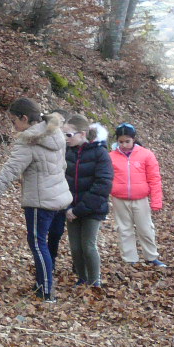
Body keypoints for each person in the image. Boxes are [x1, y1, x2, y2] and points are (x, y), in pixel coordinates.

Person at [0, 99, 72, 302]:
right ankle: (43, 283)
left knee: (38, 244)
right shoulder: (55, 133)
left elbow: (8, 174)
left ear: (25, 118)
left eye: (14, 121)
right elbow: (62, 166)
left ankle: (46, 291)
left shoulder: (29, 141)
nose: (14, 126)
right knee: (48, 244)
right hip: (61, 198)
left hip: (40, 202)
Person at [49, 114, 113, 287]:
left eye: (69, 135)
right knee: (75, 247)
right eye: (64, 134)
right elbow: (61, 179)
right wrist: (68, 207)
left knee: (88, 245)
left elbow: (103, 185)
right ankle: (82, 278)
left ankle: (94, 281)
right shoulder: (68, 152)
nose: (66, 138)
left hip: (92, 208)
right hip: (71, 207)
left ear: (82, 134)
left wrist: (79, 210)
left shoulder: (100, 153)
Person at [108, 123, 166, 268]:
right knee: (124, 229)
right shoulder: (111, 157)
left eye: (127, 141)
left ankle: (151, 256)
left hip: (141, 199)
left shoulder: (146, 155)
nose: (124, 145)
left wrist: (156, 201)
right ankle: (129, 259)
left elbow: (154, 178)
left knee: (145, 228)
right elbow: (106, 177)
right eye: (120, 142)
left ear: (133, 139)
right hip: (119, 198)